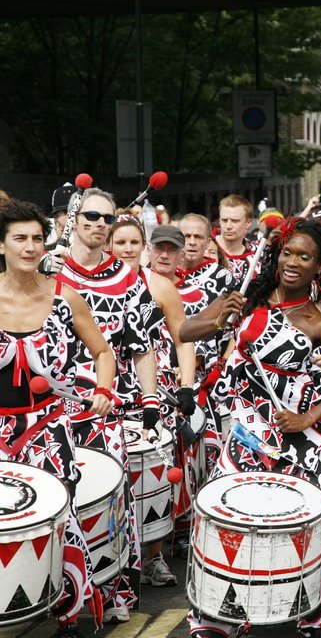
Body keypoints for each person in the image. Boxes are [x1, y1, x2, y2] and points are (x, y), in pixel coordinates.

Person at [180, 218, 321, 638]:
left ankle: (312, 614)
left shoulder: (316, 321)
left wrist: (309, 417)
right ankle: (214, 614)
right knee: (225, 513)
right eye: (288, 253)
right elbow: (185, 329)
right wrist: (221, 320)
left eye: (305, 257)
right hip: (248, 432)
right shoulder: (247, 298)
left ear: (318, 268)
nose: (293, 262)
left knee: (308, 523)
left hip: (298, 439)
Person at [0, 199, 115, 638]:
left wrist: (103, 390)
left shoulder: (64, 294)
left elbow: (103, 352)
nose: (30, 248)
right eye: (20, 239)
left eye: (36, 238)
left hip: (48, 428)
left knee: (57, 519)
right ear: (2, 245)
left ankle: (68, 614)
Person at [54, 187, 157, 624]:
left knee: (111, 498)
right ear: (74, 218)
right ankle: (61, 595)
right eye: (92, 215)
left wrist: (150, 402)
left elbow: (142, 346)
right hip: (51, 408)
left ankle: (114, 591)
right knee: (59, 501)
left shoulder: (128, 278)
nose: (100, 224)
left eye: (108, 219)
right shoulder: (48, 270)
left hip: (105, 406)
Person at [108, 220, 198, 585]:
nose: (127, 249)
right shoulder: (86, 286)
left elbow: (183, 340)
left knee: (157, 475)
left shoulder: (160, 286)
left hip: (150, 391)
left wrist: (187, 386)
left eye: (134, 242)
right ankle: (111, 562)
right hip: (103, 393)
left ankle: (154, 557)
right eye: (121, 242)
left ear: (144, 246)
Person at [214, 194, 257, 284]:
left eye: (235, 221)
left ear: (248, 223)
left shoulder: (257, 255)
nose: (228, 226)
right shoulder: (205, 248)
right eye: (224, 220)